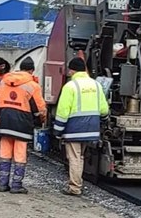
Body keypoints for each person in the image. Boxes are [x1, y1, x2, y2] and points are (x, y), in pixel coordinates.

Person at [53, 57, 110, 196]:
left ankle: (75, 187)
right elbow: (104, 109)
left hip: (74, 129)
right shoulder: (96, 85)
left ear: (71, 70)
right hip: (91, 128)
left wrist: (57, 131)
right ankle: (78, 183)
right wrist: (104, 120)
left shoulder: (70, 86)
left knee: (74, 157)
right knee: (80, 157)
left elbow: (63, 111)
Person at [0, 57, 46, 194]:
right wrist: (40, 121)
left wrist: (0, 119)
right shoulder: (33, 85)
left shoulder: (4, 81)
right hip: (22, 125)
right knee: (20, 155)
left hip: (5, 122)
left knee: (5, 154)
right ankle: (16, 185)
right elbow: (39, 109)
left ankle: (3, 184)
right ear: (31, 70)